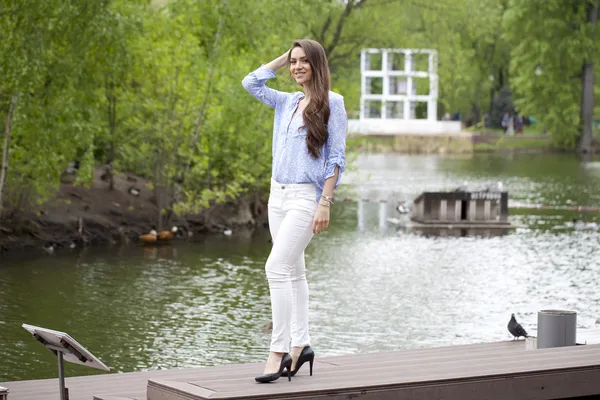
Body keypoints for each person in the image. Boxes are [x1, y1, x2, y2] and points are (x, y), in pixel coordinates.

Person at [241, 39, 347, 383]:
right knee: (295, 272)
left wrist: (324, 203)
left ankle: (278, 350)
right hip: (277, 196)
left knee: (276, 267)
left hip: (306, 198)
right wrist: (283, 57)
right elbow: (251, 82)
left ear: (318, 65)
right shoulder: (286, 102)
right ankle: (301, 345)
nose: (297, 67)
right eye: (293, 61)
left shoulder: (334, 103)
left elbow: (335, 158)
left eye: (304, 61)